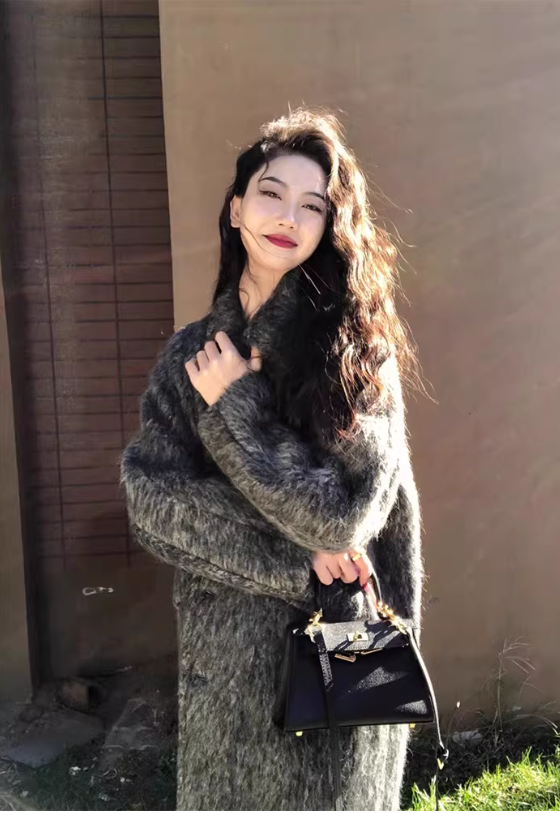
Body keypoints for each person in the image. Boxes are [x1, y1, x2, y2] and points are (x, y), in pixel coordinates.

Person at [119, 105, 424, 811]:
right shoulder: (190, 355)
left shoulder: (356, 353)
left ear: (328, 227)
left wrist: (238, 403)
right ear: (236, 209)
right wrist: (299, 559)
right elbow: (152, 502)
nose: (289, 216)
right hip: (224, 680)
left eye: (312, 205)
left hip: (342, 661)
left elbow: (344, 517)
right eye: (271, 193)